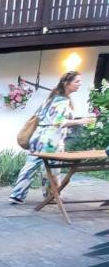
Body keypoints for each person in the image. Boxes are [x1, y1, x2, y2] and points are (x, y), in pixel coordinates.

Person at [10, 71, 94, 205]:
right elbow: (58, 122)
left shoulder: (51, 98)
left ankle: (17, 195)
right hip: (51, 139)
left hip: (38, 136)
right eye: (77, 81)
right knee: (52, 168)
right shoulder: (62, 101)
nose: (80, 84)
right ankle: (51, 196)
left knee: (30, 166)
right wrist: (81, 121)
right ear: (67, 83)